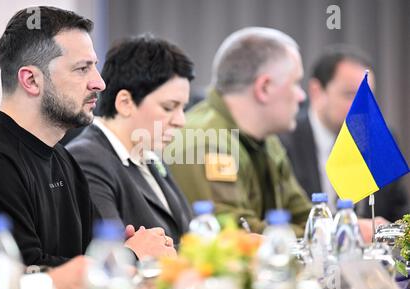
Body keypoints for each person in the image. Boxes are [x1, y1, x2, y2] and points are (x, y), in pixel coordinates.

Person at [0, 6, 176, 267]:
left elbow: (90, 252)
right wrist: (128, 259)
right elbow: (24, 273)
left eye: (95, 67)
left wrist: (125, 248)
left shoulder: (62, 157)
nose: (99, 83)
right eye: (82, 69)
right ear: (31, 80)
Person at [169, 27, 311, 236]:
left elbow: (305, 215)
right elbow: (236, 237)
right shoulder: (206, 141)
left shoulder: (267, 140)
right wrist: (319, 232)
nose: (301, 96)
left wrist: (326, 228)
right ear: (264, 88)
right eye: (296, 83)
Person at [67, 34, 195, 246]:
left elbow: (185, 234)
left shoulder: (147, 154)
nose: (180, 121)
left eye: (183, 108)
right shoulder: (86, 160)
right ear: (125, 103)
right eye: (168, 107)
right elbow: (114, 254)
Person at [279, 45, 408, 222]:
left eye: (367, 97)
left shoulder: (380, 139)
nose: (361, 107)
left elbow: (400, 214)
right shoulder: (283, 139)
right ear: (317, 91)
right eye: (350, 95)